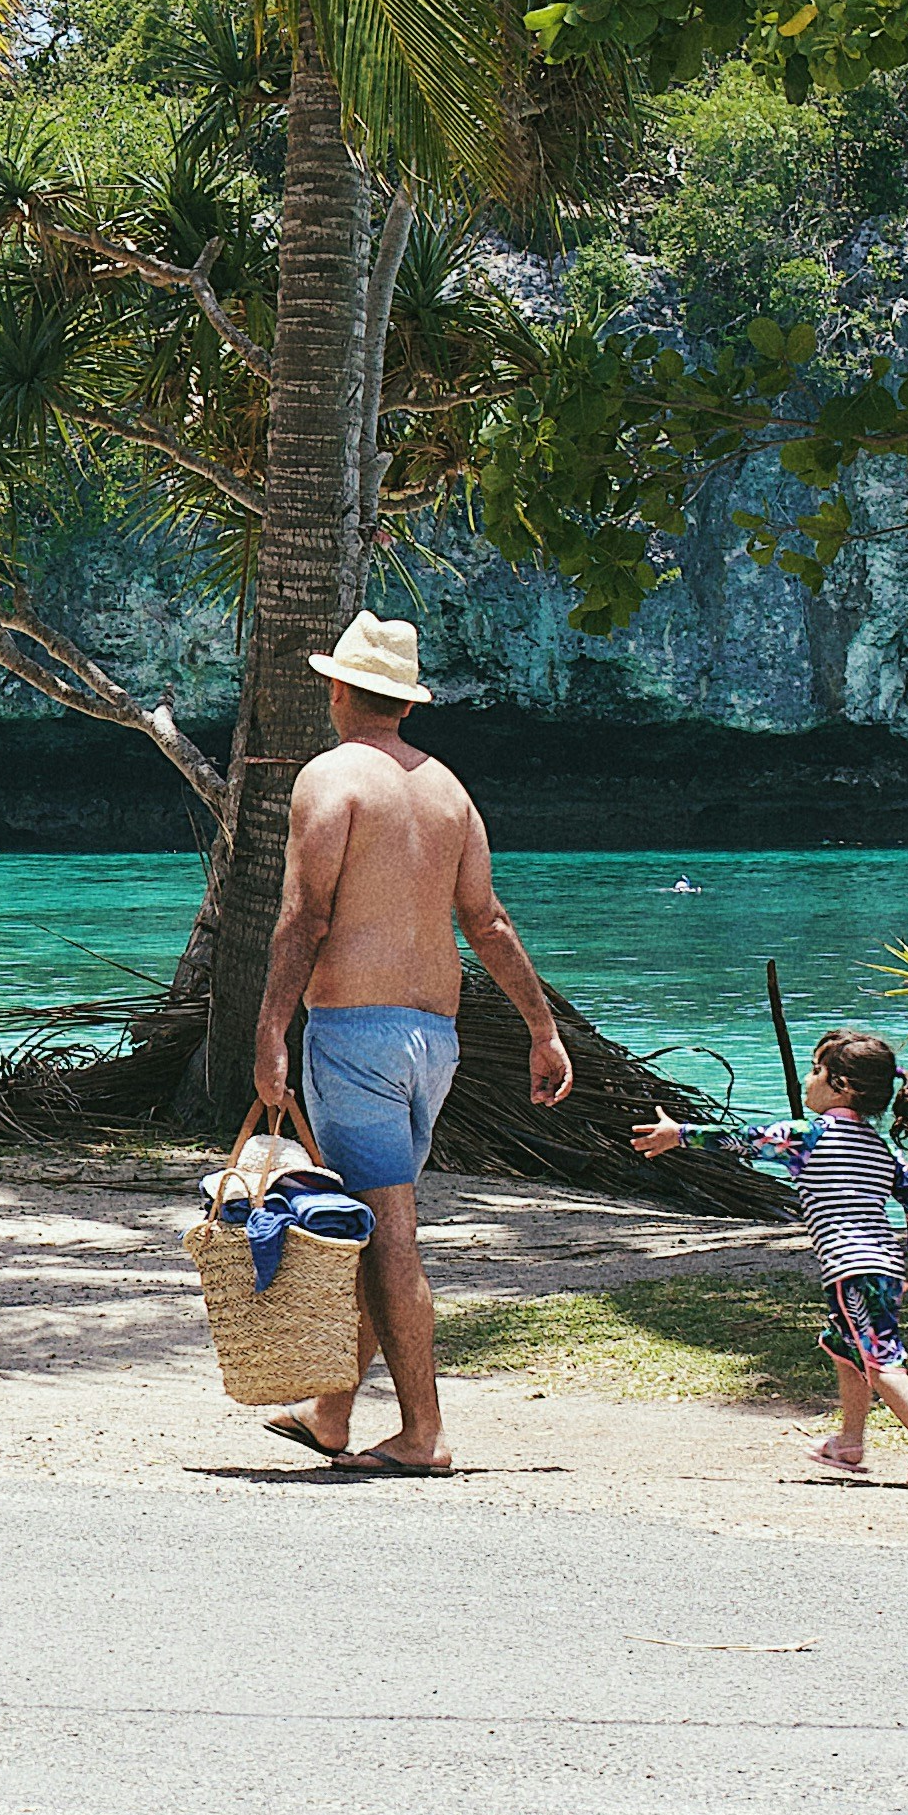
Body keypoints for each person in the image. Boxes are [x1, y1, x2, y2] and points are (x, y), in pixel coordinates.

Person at [248, 609, 572, 1477]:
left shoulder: (331, 778)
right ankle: (329, 1413)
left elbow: (304, 915)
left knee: (387, 1231)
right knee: (364, 1219)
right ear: (402, 698)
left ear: (338, 687)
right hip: (435, 1040)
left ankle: (421, 1432)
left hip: (355, 1032)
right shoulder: (445, 787)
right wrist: (541, 1030)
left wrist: (271, 1027)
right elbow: (487, 922)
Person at [639, 1032, 908, 1485]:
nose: (809, 1081)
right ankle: (849, 1443)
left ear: (842, 1084)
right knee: (843, 1346)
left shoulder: (809, 1135)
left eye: (816, 1071)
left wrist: (681, 1134)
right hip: (882, 1266)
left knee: (877, 1355)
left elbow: (745, 1139)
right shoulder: (877, 1147)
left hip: (851, 1267)